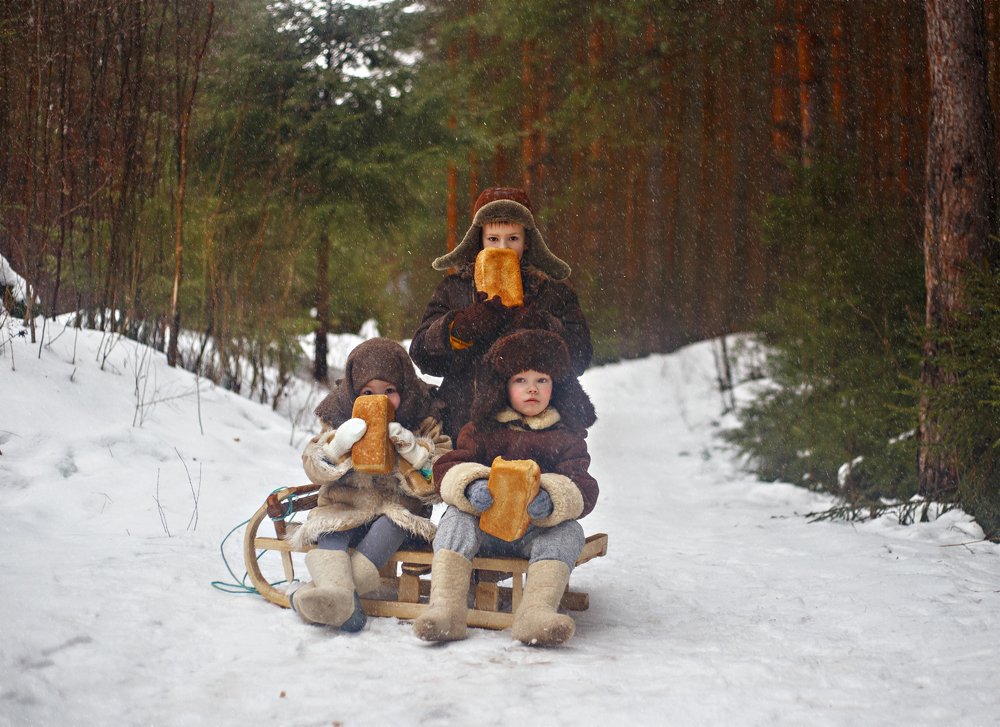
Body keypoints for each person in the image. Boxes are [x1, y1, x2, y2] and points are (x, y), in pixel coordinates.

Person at [412, 329, 598, 646]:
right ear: (503, 386)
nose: (532, 389)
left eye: (542, 380)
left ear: (555, 386)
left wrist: (551, 498)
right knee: (455, 518)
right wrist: (471, 485)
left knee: (570, 532)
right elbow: (448, 467)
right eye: (520, 380)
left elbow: (583, 486)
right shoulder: (482, 430)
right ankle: (446, 610)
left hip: (533, 531)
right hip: (484, 527)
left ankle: (535, 615)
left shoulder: (566, 437)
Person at [290, 337, 452, 631]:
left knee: (390, 526)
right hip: (345, 503)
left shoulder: (422, 418)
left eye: (389, 391)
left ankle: (325, 595)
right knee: (332, 531)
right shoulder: (339, 416)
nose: (380, 399)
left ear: (404, 387)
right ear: (354, 393)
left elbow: (442, 473)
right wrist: (336, 446)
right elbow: (312, 463)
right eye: (368, 392)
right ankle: (341, 598)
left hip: (396, 509)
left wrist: (413, 450)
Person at [409, 186, 592, 440]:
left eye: (512, 239)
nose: (503, 248)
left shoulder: (554, 293)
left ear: (527, 241)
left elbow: (581, 357)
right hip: (465, 428)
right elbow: (422, 355)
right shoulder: (454, 290)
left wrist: (541, 324)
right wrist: (459, 329)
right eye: (493, 239)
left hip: (537, 434)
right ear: (479, 240)